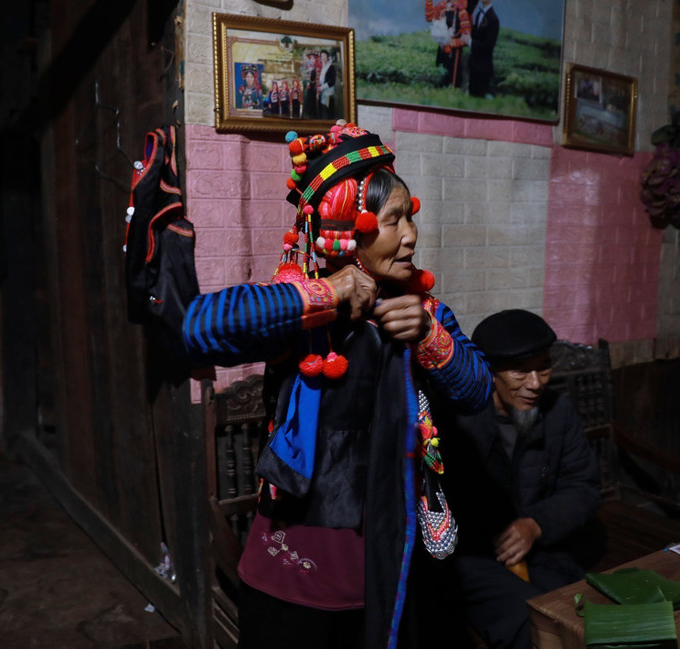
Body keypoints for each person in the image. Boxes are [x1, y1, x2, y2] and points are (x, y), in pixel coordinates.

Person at [182, 122, 492, 649]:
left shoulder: (424, 313)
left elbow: (478, 391)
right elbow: (199, 329)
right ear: (349, 227)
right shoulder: (300, 309)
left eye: (409, 217)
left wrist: (428, 337)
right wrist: (322, 293)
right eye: (392, 221)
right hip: (300, 569)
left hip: (395, 561)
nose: (411, 235)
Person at [436, 309, 600, 649]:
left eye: (543, 367)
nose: (536, 383)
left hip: (543, 549)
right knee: (526, 624)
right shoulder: (458, 421)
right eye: (520, 371)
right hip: (473, 556)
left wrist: (535, 525)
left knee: (577, 617)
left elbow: (582, 487)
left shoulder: (558, 413)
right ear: (490, 371)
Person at [425, 0, 471, 89]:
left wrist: (450, 43)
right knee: (440, 80)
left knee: (451, 83)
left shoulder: (462, 11)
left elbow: (466, 38)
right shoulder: (442, 6)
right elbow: (429, 17)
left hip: (454, 54)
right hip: (441, 51)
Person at [468, 0, 499, 97]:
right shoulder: (478, 15)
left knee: (479, 99)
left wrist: (470, 42)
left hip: (483, 68)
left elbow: (489, 46)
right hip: (474, 65)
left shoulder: (493, 19)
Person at [319, 50, 337, 118]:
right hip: (323, 91)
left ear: (327, 57)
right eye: (321, 56)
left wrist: (322, 87)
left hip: (329, 92)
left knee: (329, 110)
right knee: (323, 109)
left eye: (324, 55)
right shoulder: (323, 66)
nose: (322, 57)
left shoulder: (331, 67)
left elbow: (332, 81)